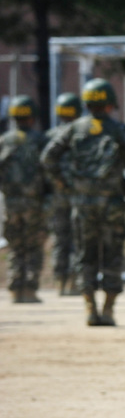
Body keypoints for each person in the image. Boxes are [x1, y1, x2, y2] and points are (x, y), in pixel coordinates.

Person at [40, 78, 125, 326]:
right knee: (113, 255)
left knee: (85, 254)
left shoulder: (74, 129)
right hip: (112, 204)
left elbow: (49, 157)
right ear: (109, 104)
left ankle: (89, 308)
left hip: (82, 203)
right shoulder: (118, 129)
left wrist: (65, 184)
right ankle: (108, 309)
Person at [0, 96, 46, 303]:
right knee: (33, 246)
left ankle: (15, 289)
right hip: (34, 204)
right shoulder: (39, 141)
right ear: (32, 117)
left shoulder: (4, 141)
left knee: (16, 247)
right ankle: (29, 289)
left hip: (11, 204)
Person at [45, 92, 80, 295]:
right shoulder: (80, 133)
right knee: (77, 238)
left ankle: (60, 281)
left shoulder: (50, 136)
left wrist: (55, 184)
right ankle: (73, 282)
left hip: (57, 195)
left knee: (60, 238)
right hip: (77, 194)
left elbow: (44, 164)